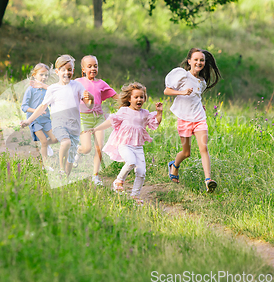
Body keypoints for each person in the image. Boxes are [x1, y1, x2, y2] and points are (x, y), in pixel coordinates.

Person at [21, 55, 94, 176]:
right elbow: (42, 107)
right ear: (57, 72)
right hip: (59, 124)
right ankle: (60, 169)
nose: (67, 72)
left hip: (74, 126)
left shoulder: (77, 86)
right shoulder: (53, 89)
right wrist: (28, 121)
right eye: (63, 70)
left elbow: (89, 106)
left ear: (73, 71)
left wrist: (90, 98)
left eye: (69, 69)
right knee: (66, 142)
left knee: (70, 158)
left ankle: (65, 177)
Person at [90, 82, 162, 203]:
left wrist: (159, 112)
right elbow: (111, 122)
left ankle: (135, 196)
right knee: (131, 162)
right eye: (136, 97)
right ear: (129, 99)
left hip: (138, 147)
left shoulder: (145, 113)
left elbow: (155, 123)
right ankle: (118, 181)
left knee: (141, 172)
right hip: (124, 145)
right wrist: (96, 129)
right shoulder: (124, 111)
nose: (139, 99)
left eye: (142, 97)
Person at [164, 48, 221, 193]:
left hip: (199, 118)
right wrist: (181, 92)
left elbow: (197, 95)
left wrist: (199, 104)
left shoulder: (201, 81)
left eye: (201, 60)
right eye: (196, 59)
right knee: (186, 153)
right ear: (189, 61)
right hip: (184, 118)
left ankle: (208, 180)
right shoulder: (182, 76)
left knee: (204, 148)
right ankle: (174, 165)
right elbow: (167, 91)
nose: (199, 62)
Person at [73, 55, 118, 186]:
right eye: (90, 66)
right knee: (87, 148)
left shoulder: (101, 83)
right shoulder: (77, 82)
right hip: (84, 118)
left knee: (99, 148)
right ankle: (78, 151)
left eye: (95, 66)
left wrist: (132, 97)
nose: (93, 68)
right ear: (83, 69)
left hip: (99, 118)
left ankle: (95, 176)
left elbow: (117, 97)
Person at [21, 63, 57, 167]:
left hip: (46, 119)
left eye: (46, 75)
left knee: (55, 139)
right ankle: (45, 165)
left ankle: (46, 145)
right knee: (44, 141)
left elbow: (55, 96)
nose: (44, 77)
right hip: (34, 120)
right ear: (34, 75)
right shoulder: (30, 90)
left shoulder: (47, 90)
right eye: (41, 75)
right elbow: (24, 107)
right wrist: (36, 111)